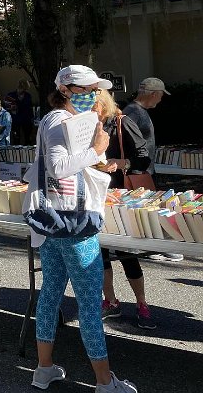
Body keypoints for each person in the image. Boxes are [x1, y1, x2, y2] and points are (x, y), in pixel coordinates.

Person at [23, 65, 137, 393]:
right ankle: (104, 381)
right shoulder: (60, 120)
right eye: (85, 90)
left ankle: (44, 370)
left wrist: (93, 156)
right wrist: (97, 150)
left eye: (94, 90)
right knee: (89, 305)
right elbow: (58, 168)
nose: (92, 96)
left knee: (50, 296)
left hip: (53, 222)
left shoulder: (57, 119)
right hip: (74, 225)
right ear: (66, 90)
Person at [91, 90, 155, 329]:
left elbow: (143, 157)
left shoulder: (121, 121)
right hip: (97, 197)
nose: (89, 109)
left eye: (94, 104)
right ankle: (111, 301)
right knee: (102, 254)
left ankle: (142, 303)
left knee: (127, 255)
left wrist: (121, 163)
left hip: (121, 197)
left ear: (103, 104)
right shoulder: (85, 125)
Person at [122, 77, 180, 262]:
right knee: (148, 209)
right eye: (161, 95)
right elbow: (128, 144)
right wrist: (137, 168)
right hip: (139, 172)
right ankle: (153, 247)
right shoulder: (133, 112)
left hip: (142, 170)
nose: (161, 99)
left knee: (148, 209)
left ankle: (150, 247)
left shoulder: (136, 111)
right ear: (154, 94)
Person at [5, 79, 35, 144]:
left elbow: (30, 108)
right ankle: (16, 153)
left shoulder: (28, 96)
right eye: (23, 89)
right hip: (15, 120)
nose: (24, 90)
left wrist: (32, 118)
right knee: (16, 139)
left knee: (28, 139)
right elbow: (8, 109)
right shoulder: (10, 95)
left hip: (26, 120)